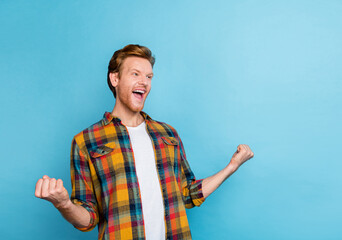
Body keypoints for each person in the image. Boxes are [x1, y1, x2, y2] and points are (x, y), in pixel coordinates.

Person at [34, 44, 254, 240]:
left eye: (149, 77)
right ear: (115, 79)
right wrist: (63, 204)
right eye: (136, 74)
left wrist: (231, 167)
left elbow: (188, 194)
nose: (144, 82)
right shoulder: (86, 141)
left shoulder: (168, 134)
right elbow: (88, 219)